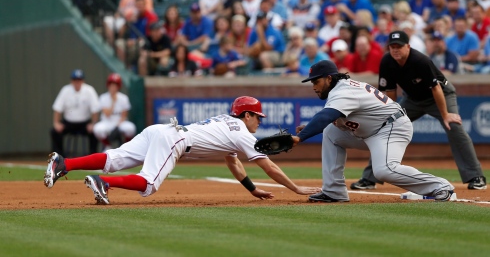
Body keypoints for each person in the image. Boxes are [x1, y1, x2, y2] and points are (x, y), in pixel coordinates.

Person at [44, 96, 321, 204]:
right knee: (149, 184)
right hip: (175, 140)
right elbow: (269, 165)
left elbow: (232, 161)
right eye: (257, 116)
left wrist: (251, 188)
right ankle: (103, 183)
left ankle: (64, 163)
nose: (259, 121)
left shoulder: (228, 125)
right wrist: (295, 188)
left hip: (161, 130)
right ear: (246, 115)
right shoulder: (241, 131)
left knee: (115, 157)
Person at [289, 60, 455, 202]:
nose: (313, 86)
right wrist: (310, 128)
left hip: (392, 127)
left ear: (329, 78)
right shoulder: (340, 89)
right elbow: (332, 118)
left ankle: (442, 187)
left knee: (384, 170)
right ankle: (333, 191)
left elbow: (326, 115)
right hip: (372, 131)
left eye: (316, 82)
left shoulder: (344, 91)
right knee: (331, 133)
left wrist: (300, 138)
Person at [350, 30, 487, 191]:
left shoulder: (420, 60)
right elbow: (389, 92)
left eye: (399, 46)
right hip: (413, 99)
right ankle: (369, 179)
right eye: (392, 46)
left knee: (454, 127)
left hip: (440, 95)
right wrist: (388, 116)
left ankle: (476, 177)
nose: (395, 50)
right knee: (386, 128)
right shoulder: (387, 61)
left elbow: (436, 88)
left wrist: (445, 115)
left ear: (408, 46)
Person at [51, 69, 100, 157]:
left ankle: (93, 157)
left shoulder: (89, 90)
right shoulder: (65, 90)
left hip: (84, 123)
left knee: (96, 131)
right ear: (71, 81)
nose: (77, 82)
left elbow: (95, 109)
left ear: (83, 81)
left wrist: (93, 123)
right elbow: (57, 108)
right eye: (75, 80)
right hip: (69, 123)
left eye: (79, 80)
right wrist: (56, 123)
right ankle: (59, 158)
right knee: (54, 131)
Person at [93, 74, 136, 151]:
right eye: (111, 85)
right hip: (107, 122)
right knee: (97, 129)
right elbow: (107, 114)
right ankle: (108, 145)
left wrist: (118, 125)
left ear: (118, 87)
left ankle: (126, 148)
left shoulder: (123, 98)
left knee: (130, 128)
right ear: (108, 85)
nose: (113, 87)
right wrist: (113, 102)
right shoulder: (103, 97)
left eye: (115, 85)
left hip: (120, 122)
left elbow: (124, 115)